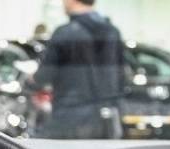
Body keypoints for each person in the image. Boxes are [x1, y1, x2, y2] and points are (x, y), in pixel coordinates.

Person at [33, 0, 125, 139]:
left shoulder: (64, 33)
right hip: (105, 119)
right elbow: (121, 75)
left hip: (69, 116)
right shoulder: (112, 32)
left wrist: (32, 79)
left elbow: (45, 75)